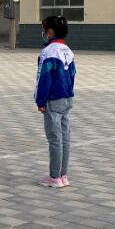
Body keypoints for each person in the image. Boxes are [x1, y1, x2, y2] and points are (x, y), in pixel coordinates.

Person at [35, 15, 76, 188]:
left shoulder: (48, 52)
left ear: (50, 31)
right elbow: (72, 75)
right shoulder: (68, 51)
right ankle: (63, 175)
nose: (43, 32)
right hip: (67, 98)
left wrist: (40, 100)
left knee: (54, 139)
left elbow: (44, 78)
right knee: (65, 138)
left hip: (53, 100)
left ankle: (54, 177)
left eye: (44, 29)